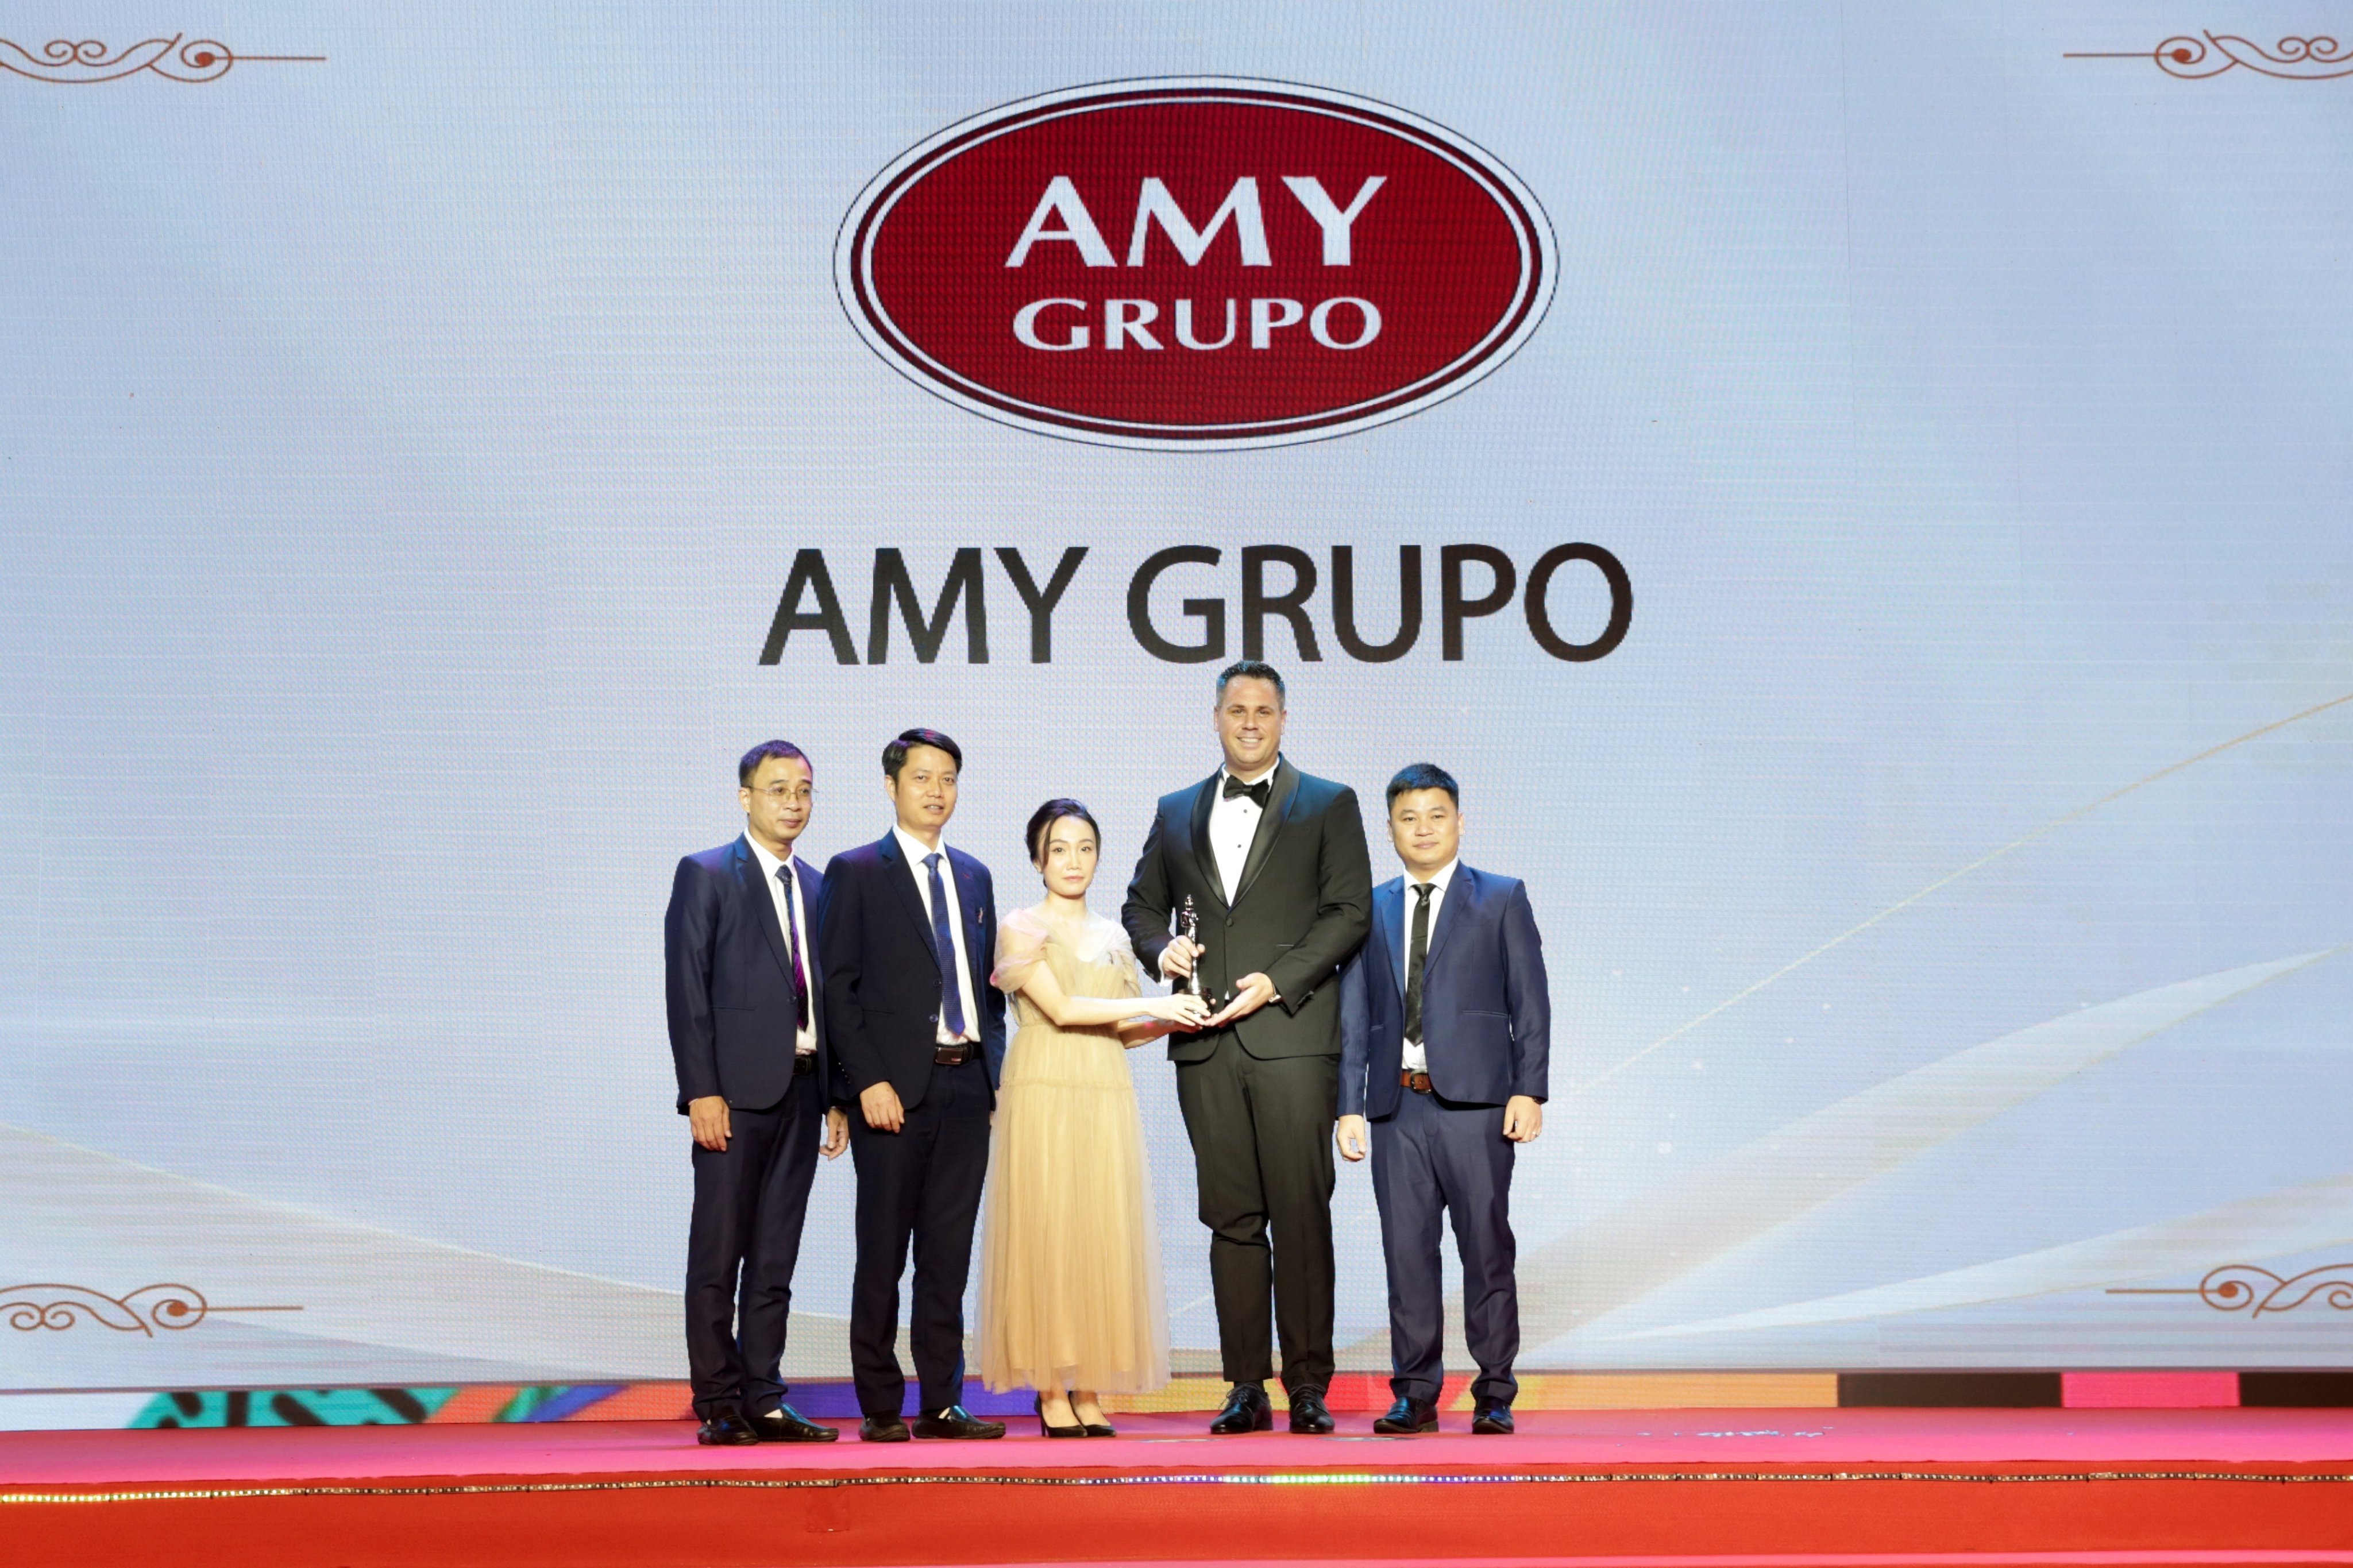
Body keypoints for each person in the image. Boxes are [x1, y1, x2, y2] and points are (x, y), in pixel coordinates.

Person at [1121, 661, 1372, 1435]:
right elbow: (1141, 907)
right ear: (1217, 718)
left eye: (1264, 710)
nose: (1251, 722)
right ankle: (1244, 1385)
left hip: (1293, 1039)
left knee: (1300, 1215)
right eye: (1237, 710)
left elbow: (1349, 912)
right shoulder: (1175, 810)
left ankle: (1308, 1384)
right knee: (1230, 1220)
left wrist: (1278, 981)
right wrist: (1161, 949)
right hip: (1205, 1045)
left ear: (1283, 719)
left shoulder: (1329, 802)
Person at [981, 800, 1209, 1436]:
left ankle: (1087, 1387)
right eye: (1059, 849)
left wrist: (1179, 1014)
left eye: (1085, 848)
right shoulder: (1021, 927)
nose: (1073, 861)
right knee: (1048, 1232)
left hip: (1104, 1090)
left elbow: (1122, 1029)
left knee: (1098, 1231)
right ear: (1037, 859)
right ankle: (1050, 1387)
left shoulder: (1115, 937)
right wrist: (1160, 1004)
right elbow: (1059, 1009)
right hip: (1043, 1088)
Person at [1337, 763, 1549, 1436]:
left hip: (1478, 1108)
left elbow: (1530, 1003)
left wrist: (1529, 1090)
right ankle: (1415, 1393)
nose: (1423, 829)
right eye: (1409, 817)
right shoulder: (1369, 907)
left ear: (1459, 821)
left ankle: (1494, 1391)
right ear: (1390, 829)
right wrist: (1348, 1104)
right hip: (1397, 1107)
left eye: (1436, 815)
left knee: (1485, 1251)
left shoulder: (1501, 897)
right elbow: (1354, 1014)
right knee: (1407, 1255)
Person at [820, 728, 1008, 1442]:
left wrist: (992, 1077)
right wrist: (863, 1082)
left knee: (947, 1257)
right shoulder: (855, 871)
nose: (936, 791)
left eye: (948, 778)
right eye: (922, 777)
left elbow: (987, 991)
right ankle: (878, 1404)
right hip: (891, 1095)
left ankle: (942, 1402)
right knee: (882, 1254)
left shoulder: (975, 876)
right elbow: (838, 990)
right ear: (891, 785)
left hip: (966, 1089)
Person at [664, 740, 851, 1446]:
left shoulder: (820, 886)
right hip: (733, 1098)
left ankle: (764, 1397)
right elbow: (687, 990)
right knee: (719, 1255)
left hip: (803, 1092)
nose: (793, 803)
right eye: (778, 790)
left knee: (775, 1258)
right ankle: (718, 1401)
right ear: (746, 797)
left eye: (803, 790)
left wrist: (836, 1095)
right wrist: (701, 1091)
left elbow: (830, 999)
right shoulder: (707, 873)